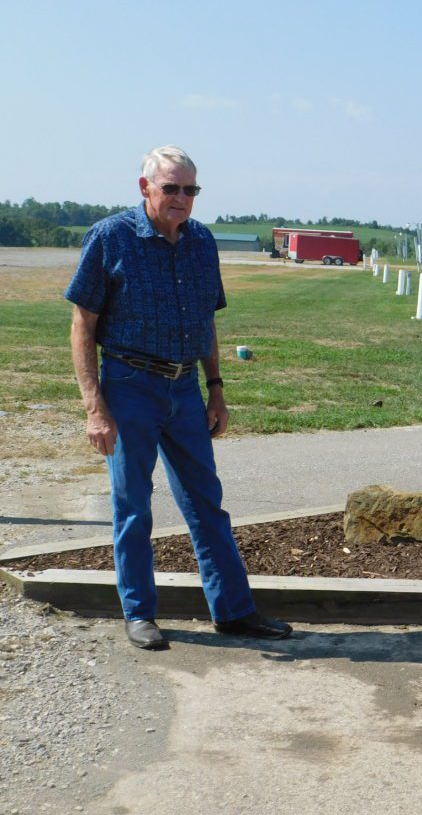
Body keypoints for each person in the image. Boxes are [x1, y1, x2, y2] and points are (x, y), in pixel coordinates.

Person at [65, 145, 292, 650]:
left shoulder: (201, 241)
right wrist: (94, 406)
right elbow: (83, 324)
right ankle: (139, 613)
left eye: (191, 189)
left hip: (186, 388)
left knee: (207, 502)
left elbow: (206, 320)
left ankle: (234, 611)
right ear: (144, 187)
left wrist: (216, 389)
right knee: (133, 506)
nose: (181, 198)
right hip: (129, 386)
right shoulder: (110, 237)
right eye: (171, 187)